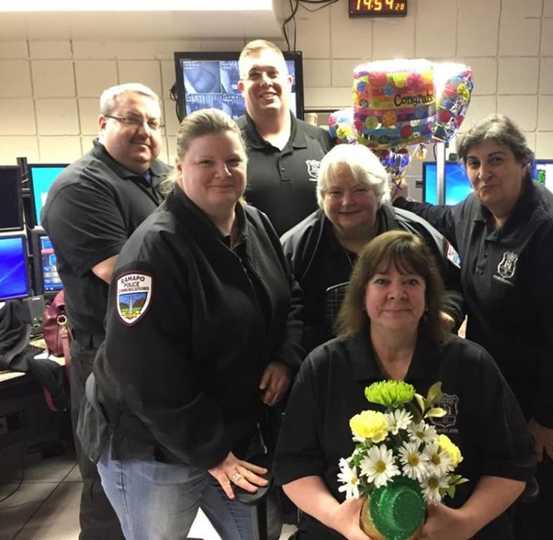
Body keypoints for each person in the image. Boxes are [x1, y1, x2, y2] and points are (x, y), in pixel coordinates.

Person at [393, 114, 553, 540]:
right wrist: (397, 200)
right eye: (473, 163)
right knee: (515, 499)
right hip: (511, 385)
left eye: (496, 160)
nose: (483, 172)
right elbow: (440, 217)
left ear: (524, 162)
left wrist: (549, 419)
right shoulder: (477, 211)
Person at [90, 108, 304, 540]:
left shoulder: (255, 224)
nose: (222, 173)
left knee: (259, 532)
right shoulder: (154, 251)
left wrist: (284, 356)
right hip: (153, 445)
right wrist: (212, 452)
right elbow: (145, 372)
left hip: (233, 431)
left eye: (233, 161)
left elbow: (290, 299)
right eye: (207, 162)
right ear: (182, 165)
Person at [274, 230, 535, 540]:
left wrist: (465, 522)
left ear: (428, 296)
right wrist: (340, 520)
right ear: (361, 293)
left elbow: (513, 464)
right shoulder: (324, 366)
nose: (397, 293)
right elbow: (293, 465)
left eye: (411, 281)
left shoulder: (470, 365)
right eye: (382, 281)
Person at [41, 82, 170, 540]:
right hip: (110, 361)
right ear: (103, 124)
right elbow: (123, 274)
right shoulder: (82, 187)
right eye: (132, 120)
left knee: (155, 486)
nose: (146, 132)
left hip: (155, 354)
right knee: (111, 484)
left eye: (154, 123)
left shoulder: (157, 179)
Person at [281, 143, 464, 353]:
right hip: (326, 371)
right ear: (322, 197)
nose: (347, 202)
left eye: (360, 190)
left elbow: (454, 282)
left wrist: (448, 312)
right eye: (335, 192)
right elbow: (283, 312)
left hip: (410, 361)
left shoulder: (418, 235)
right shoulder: (295, 248)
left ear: (378, 193)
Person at [237, 39, 333, 236]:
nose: (265, 81)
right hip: (253, 266)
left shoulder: (321, 140)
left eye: (273, 73)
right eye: (254, 75)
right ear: (241, 87)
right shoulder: (228, 144)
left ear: (289, 82)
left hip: (316, 265)